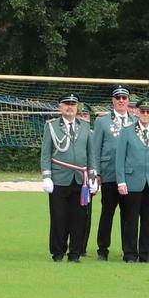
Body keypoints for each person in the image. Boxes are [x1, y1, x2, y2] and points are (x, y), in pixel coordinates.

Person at [41, 93, 93, 262]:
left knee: (79, 218)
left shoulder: (85, 126)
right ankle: (57, 252)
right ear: (60, 107)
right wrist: (46, 176)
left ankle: (75, 253)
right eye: (66, 104)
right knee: (58, 217)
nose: (70, 107)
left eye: (73, 104)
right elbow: (45, 154)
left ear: (77, 107)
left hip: (80, 179)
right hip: (59, 178)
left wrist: (92, 177)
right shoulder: (51, 126)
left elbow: (90, 154)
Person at [116, 99, 149, 263]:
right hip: (132, 181)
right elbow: (120, 158)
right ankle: (130, 254)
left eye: (148, 112)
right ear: (136, 112)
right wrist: (121, 181)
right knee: (131, 220)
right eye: (142, 111)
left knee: (148, 220)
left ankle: (146, 254)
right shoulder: (127, 131)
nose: (145, 114)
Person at [91, 87, 133, 260]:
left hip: (131, 176)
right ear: (113, 100)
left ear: (128, 100)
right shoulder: (102, 121)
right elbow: (95, 149)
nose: (121, 100)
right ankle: (103, 249)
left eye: (124, 97)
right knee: (107, 212)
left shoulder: (135, 120)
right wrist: (96, 173)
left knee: (128, 214)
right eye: (118, 98)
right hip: (109, 174)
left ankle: (128, 249)